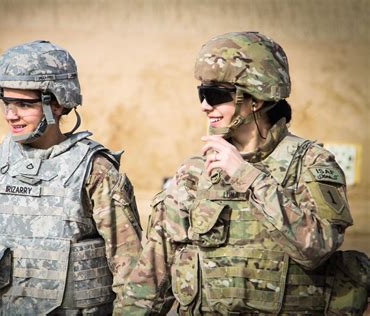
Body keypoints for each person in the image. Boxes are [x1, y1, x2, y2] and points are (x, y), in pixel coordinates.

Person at [117, 32, 368, 315]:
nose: (204, 105)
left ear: (256, 99)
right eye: (202, 93)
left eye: (215, 95)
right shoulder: (195, 172)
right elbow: (152, 275)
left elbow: (317, 249)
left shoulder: (311, 163)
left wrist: (246, 176)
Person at [0, 40, 143, 316]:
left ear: (58, 104)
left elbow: (132, 274)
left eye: (23, 104)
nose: (10, 115)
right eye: (6, 102)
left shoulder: (96, 171)